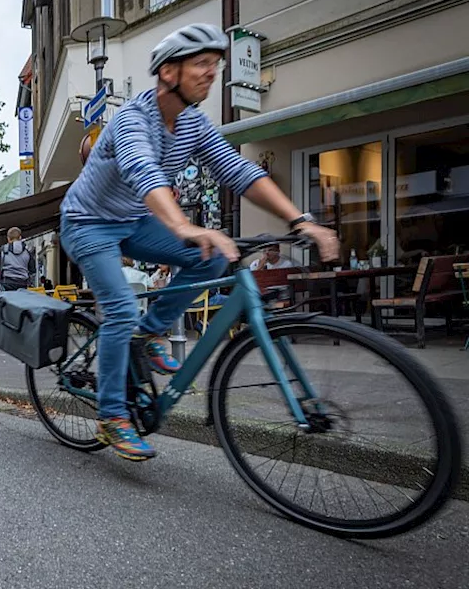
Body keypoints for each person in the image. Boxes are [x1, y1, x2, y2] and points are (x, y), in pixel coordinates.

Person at [58, 23, 338, 461]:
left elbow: (238, 170)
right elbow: (143, 171)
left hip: (134, 220)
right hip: (88, 222)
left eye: (216, 64)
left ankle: (148, 336)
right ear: (169, 72)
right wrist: (185, 226)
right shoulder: (133, 119)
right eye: (202, 64)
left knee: (211, 257)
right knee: (119, 309)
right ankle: (113, 416)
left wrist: (301, 219)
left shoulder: (193, 122)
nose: (212, 72)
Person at [0, 227, 36, 291]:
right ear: (20, 237)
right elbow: (33, 270)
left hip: (6, 283)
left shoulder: (3, 250)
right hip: (22, 284)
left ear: (8, 239)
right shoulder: (27, 252)